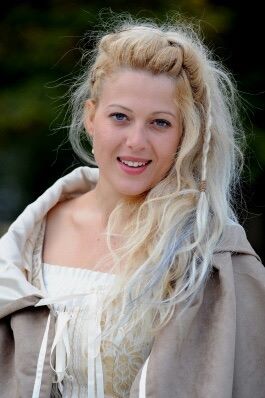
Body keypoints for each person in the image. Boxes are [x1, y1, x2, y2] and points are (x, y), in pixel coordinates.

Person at [0, 15, 265, 398]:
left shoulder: (214, 254)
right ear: (91, 118)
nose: (136, 141)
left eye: (159, 123)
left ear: (185, 134)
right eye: (120, 117)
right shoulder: (26, 240)